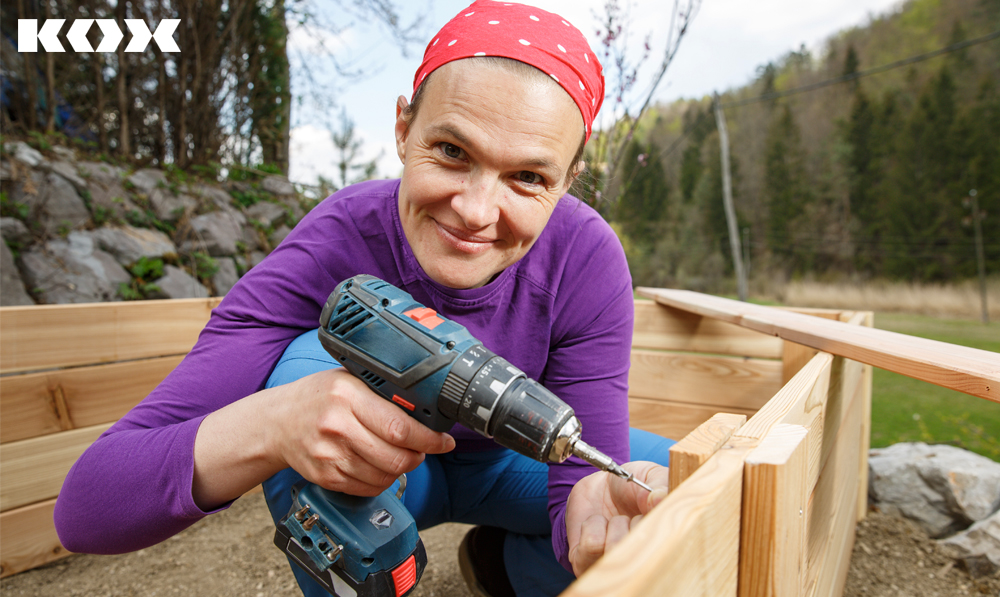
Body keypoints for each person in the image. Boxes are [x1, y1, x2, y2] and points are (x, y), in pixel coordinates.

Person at [54, 2, 674, 596]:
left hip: (512, 471)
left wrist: (588, 519)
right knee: (305, 370)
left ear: (566, 181)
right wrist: (275, 424)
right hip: (386, 482)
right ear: (404, 129)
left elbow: (584, 490)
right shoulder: (333, 244)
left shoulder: (585, 256)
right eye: (453, 152)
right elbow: (87, 508)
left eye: (529, 177)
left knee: (682, 482)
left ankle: (509, 570)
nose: (477, 211)